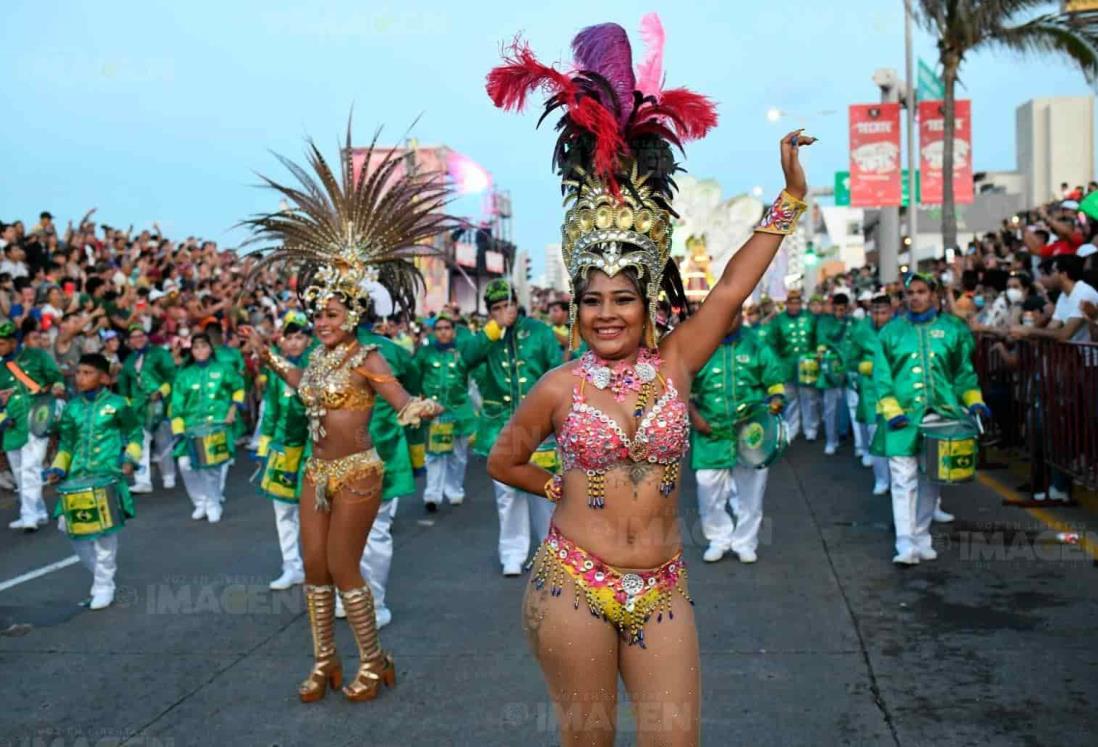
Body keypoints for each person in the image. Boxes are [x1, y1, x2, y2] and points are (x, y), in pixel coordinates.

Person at [484, 20, 812, 744]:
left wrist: (789, 200)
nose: (607, 313)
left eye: (622, 298)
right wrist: (553, 485)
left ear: (648, 303)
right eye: (593, 299)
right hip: (572, 581)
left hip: (662, 585)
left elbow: (729, 289)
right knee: (590, 737)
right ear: (576, 305)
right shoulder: (557, 386)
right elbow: (502, 458)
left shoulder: (676, 362)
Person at [241, 128, 444, 704]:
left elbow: (401, 399)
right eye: (316, 314)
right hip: (315, 471)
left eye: (329, 314)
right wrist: (270, 354)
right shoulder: (322, 358)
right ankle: (325, 661)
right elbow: (305, 386)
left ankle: (374, 662)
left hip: (358, 471)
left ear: (352, 313)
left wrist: (420, 409)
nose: (321, 322)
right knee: (313, 570)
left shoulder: (367, 356)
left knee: (343, 567)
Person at [871, 274, 989, 565]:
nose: (915, 297)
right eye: (909, 292)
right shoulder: (890, 332)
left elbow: (963, 373)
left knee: (930, 480)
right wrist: (891, 410)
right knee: (902, 481)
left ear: (934, 294)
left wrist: (974, 401)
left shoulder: (953, 330)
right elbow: (882, 377)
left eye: (921, 291)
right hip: (900, 418)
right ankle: (905, 544)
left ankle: (921, 535)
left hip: (942, 417)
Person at [465, 278, 561, 576]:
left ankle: (552, 552)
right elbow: (467, 358)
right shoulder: (486, 337)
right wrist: (493, 330)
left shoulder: (540, 332)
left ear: (517, 304)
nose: (504, 311)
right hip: (501, 428)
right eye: (496, 308)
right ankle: (512, 553)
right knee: (508, 496)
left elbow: (557, 372)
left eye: (507, 305)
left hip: (540, 430)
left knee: (545, 491)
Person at [44, 354, 142, 609]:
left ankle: (103, 584)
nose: (80, 378)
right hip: (77, 478)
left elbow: (134, 433)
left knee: (104, 537)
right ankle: (102, 577)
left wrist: (130, 458)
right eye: (78, 372)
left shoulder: (119, 404)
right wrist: (58, 468)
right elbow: (66, 445)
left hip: (107, 476)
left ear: (104, 377)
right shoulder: (71, 408)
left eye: (87, 373)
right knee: (69, 529)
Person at [689, 314, 785, 563]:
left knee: (752, 490)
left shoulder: (756, 344)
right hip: (711, 431)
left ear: (741, 314)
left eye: (735, 313)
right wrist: (694, 416)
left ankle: (745, 542)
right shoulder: (700, 346)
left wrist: (776, 400)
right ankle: (718, 538)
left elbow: (775, 382)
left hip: (750, 432)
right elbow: (683, 385)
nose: (729, 319)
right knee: (707, 485)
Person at [255, 317, 311, 591]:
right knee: (284, 512)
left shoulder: (318, 367)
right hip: (282, 449)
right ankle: (292, 566)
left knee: (315, 512)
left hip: (312, 450)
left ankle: (320, 569)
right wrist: (264, 449)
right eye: (289, 338)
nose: (293, 343)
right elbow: (271, 412)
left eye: (299, 337)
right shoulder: (277, 373)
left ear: (308, 340)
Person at [168, 333, 244, 523]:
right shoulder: (184, 375)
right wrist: (178, 429)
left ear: (210, 348)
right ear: (191, 352)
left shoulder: (223, 369)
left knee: (211, 468)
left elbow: (239, 388)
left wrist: (232, 410)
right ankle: (200, 501)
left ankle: (213, 502)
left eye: (204, 346)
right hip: (190, 427)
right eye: (196, 347)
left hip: (217, 425)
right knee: (184, 464)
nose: (200, 350)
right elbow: (176, 405)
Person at [0, 319, 65, 530]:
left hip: (37, 418)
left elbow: (56, 378)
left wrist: (56, 387)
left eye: (2, 343)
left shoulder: (36, 356)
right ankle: (38, 511)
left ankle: (29, 516)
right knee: (19, 470)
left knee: (30, 467)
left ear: (13, 342)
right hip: (12, 425)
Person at [413, 312, 474, 511]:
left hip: (459, 412)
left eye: (447, 328)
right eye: (439, 329)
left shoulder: (463, 353)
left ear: (453, 331)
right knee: (434, 454)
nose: (443, 332)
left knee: (458, 456)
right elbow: (414, 375)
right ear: (434, 332)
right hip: (435, 413)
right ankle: (432, 495)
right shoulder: (425, 353)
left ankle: (455, 490)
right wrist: (420, 403)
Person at [118, 324, 177, 493]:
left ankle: (168, 475)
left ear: (146, 337)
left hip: (159, 404)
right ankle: (142, 480)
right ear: (129, 341)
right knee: (139, 441)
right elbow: (124, 385)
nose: (138, 339)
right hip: (138, 408)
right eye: (134, 337)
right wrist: (126, 405)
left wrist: (161, 392)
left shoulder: (160, 354)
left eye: (141, 335)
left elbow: (172, 376)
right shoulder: (129, 361)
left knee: (163, 440)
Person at [848, 292, 892, 494]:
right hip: (871, 389)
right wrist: (860, 367)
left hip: (896, 389)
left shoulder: (900, 330)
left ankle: (899, 479)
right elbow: (851, 359)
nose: (879, 317)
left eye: (883, 312)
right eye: (875, 312)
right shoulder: (861, 329)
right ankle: (882, 478)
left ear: (890, 312)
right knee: (875, 435)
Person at [769, 288, 818, 441]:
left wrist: (816, 356)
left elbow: (816, 340)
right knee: (790, 400)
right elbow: (771, 344)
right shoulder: (778, 320)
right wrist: (777, 364)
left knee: (809, 399)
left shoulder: (810, 318)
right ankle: (792, 429)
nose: (794, 306)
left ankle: (811, 428)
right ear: (786, 304)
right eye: (791, 303)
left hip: (807, 367)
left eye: (797, 303)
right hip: (786, 366)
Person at [815, 291, 854, 456]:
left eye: (842, 309)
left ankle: (847, 435)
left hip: (850, 368)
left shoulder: (854, 323)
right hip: (831, 369)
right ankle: (831, 440)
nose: (839, 312)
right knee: (830, 407)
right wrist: (821, 349)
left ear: (847, 308)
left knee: (849, 405)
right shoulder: (825, 322)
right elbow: (821, 340)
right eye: (837, 309)